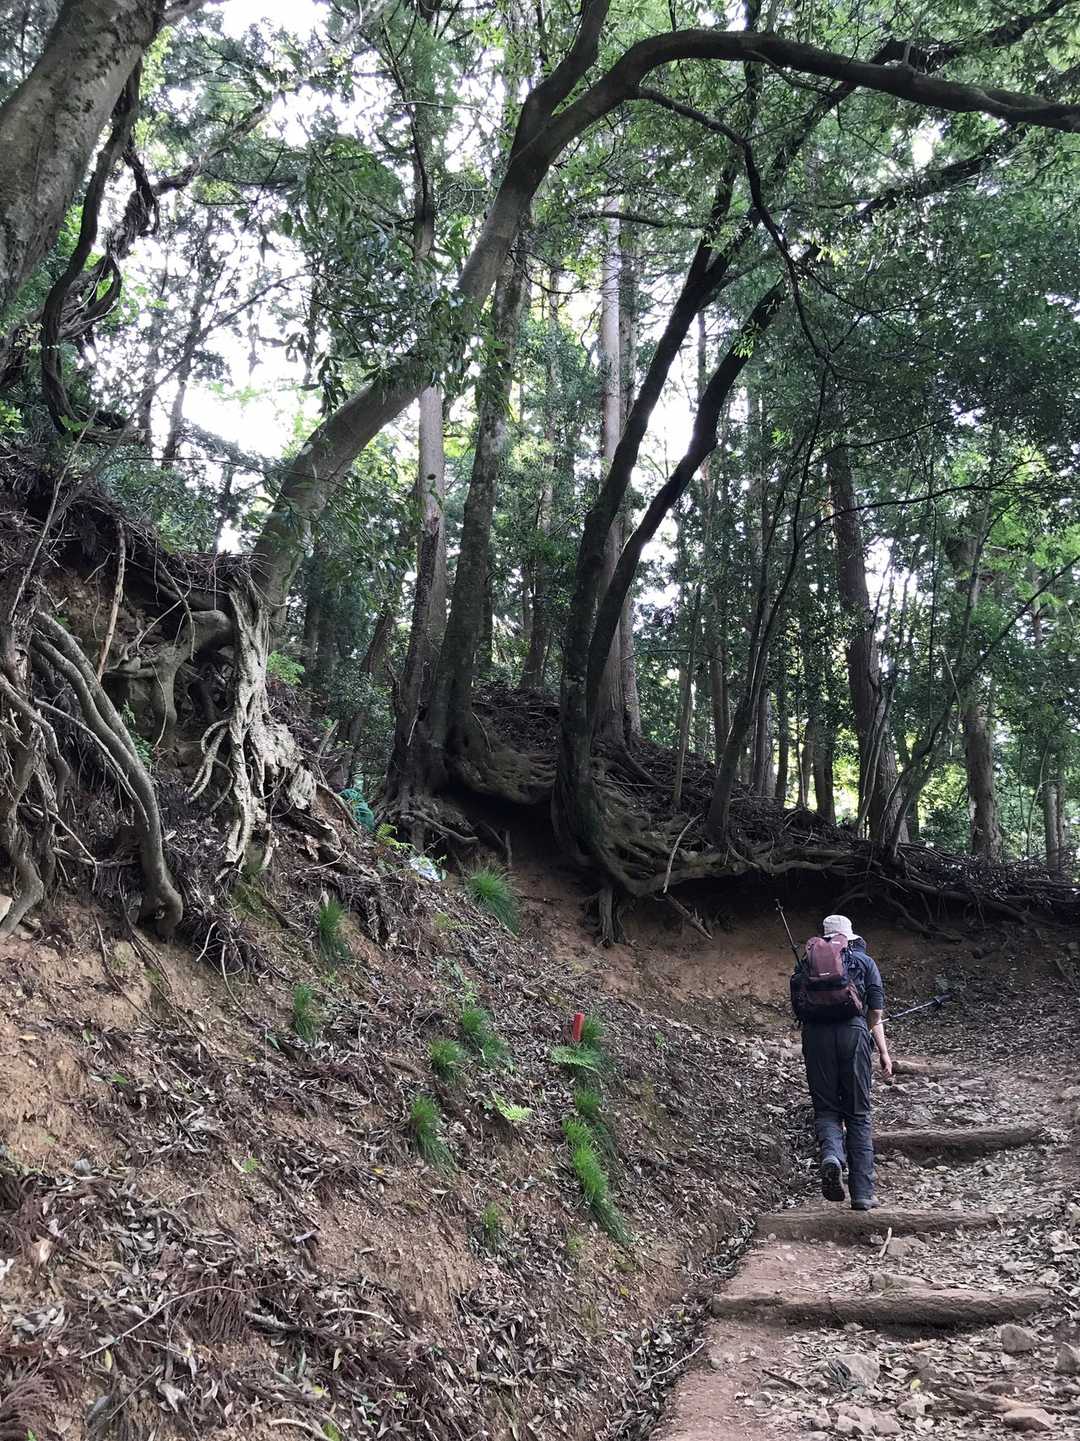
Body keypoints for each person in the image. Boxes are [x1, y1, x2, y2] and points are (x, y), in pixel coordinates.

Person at [790, 913, 892, 1211]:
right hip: (854, 1034)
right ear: (849, 937)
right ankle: (862, 1193)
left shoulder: (805, 964)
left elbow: (798, 1007)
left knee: (826, 1109)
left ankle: (832, 1156)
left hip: (815, 1038)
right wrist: (874, 1041)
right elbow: (876, 1011)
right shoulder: (864, 962)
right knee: (858, 1113)